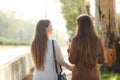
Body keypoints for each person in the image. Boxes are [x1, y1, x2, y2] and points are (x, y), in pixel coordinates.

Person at [67, 14, 105, 80]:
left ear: (79, 26)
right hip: (94, 76)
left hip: (79, 76)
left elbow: (72, 60)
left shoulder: (75, 40)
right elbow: (102, 60)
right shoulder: (98, 40)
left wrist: (69, 50)